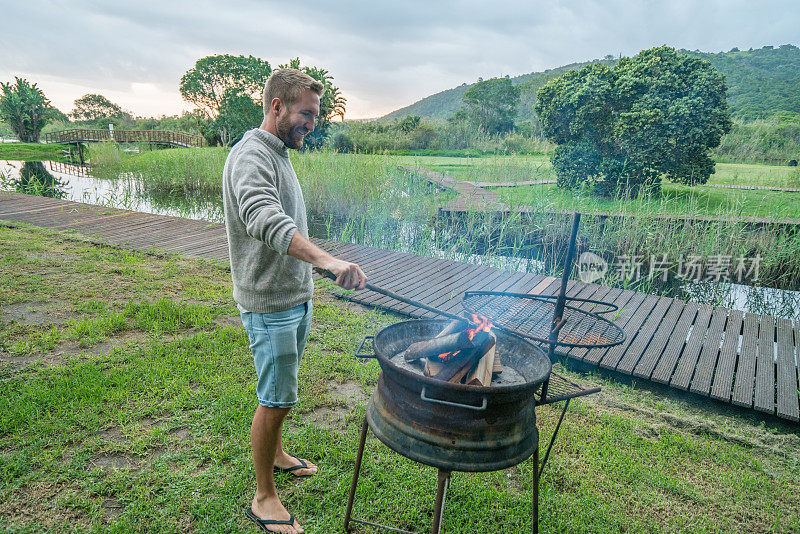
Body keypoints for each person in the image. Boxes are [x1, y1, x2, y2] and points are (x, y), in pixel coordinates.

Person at [222, 68, 367, 534]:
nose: (313, 123)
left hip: (292, 298)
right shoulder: (251, 156)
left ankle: (279, 455)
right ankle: (264, 498)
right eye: (307, 113)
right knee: (275, 398)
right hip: (270, 305)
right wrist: (327, 261)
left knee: (282, 396)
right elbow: (264, 217)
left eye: (317, 115)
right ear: (277, 106)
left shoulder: (279, 153)